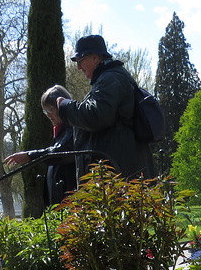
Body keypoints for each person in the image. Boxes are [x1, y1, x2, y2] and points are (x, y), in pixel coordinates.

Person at [55, 34, 154, 180]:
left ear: (95, 57)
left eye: (80, 61)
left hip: (118, 171)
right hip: (121, 166)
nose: (78, 67)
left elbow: (97, 115)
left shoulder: (110, 79)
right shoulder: (110, 78)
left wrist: (65, 106)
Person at [5, 85, 79, 206]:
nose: (48, 115)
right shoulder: (61, 131)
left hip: (69, 199)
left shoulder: (73, 127)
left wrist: (29, 156)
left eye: (51, 110)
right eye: (46, 111)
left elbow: (60, 152)